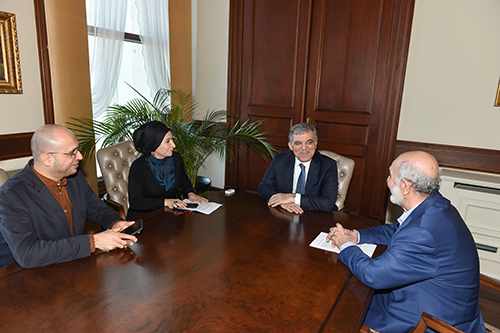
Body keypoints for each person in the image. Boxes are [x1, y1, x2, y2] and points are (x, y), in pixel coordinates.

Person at [327, 151, 486, 333]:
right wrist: (356, 236)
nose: (387, 180)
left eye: (390, 175)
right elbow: (398, 231)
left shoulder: (422, 232)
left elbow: (374, 275)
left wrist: (345, 244)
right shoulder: (436, 206)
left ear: (404, 186)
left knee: (340, 310)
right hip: (441, 301)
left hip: (428, 321)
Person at [0, 125, 137, 269]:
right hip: (23, 275)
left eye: (78, 149)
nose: (80, 156)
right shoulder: (11, 195)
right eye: (72, 153)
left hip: (70, 263)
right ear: (47, 159)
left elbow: (95, 207)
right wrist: (94, 241)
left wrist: (114, 222)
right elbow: (28, 254)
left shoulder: (74, 176)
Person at [127, 121, 208, 220]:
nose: (173, 145)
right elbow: (135, 202)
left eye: (172, 139)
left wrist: (190, 193)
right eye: (167, 141)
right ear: (154, 144)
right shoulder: (138, 167)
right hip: (145, 219)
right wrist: (165, 202)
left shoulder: (176, 158)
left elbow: (182, 178)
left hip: (168, 215)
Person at [258, 123, 338, 214]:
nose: (304, 148)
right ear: (290, 146)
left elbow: (328, 203)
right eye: (298, 143)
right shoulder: (280, 159)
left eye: (309, 142)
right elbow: (264, 187)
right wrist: (280, 201)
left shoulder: (328, 165)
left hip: (316, 215)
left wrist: (293, 198)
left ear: (316, 144)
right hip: (286, 214)